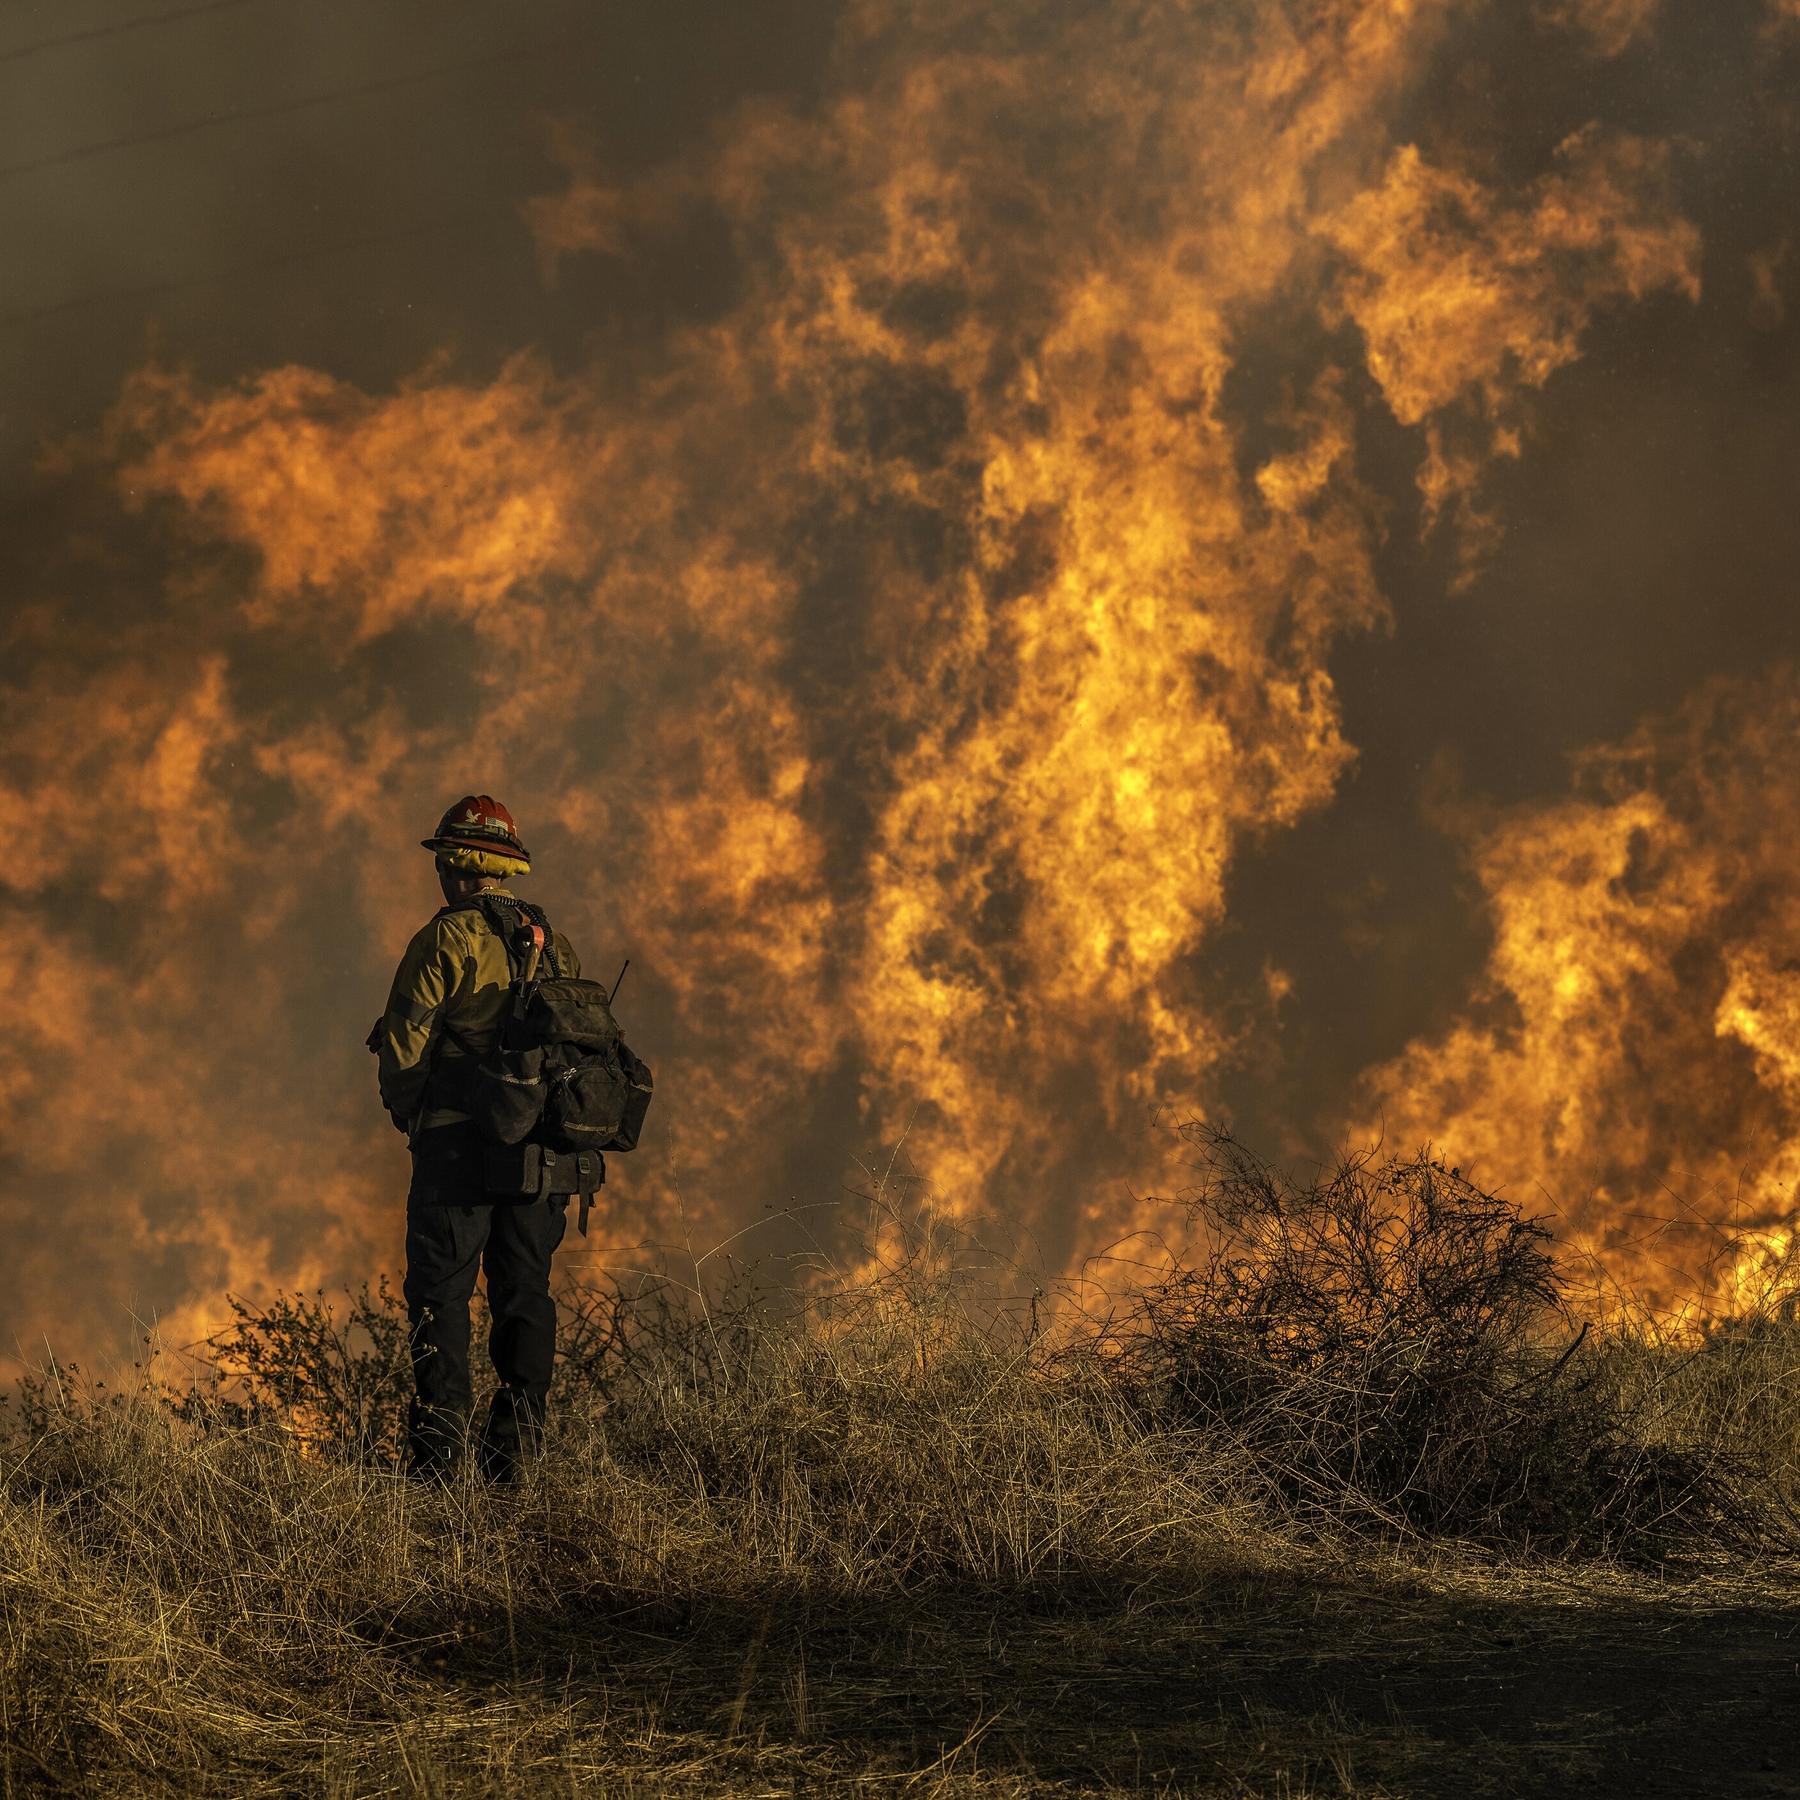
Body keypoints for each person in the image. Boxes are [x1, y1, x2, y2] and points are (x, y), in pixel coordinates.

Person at [373, 794, 583, 1484]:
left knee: (440, 1300)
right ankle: (513, 1465)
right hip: (539, 1160)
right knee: (525, 1296)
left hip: (456, 1155)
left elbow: (403, 1051)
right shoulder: (553, 943)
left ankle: (439, 1471)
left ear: (455, 868)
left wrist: (414, 1118)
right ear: (505, 868)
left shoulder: (443, 941)